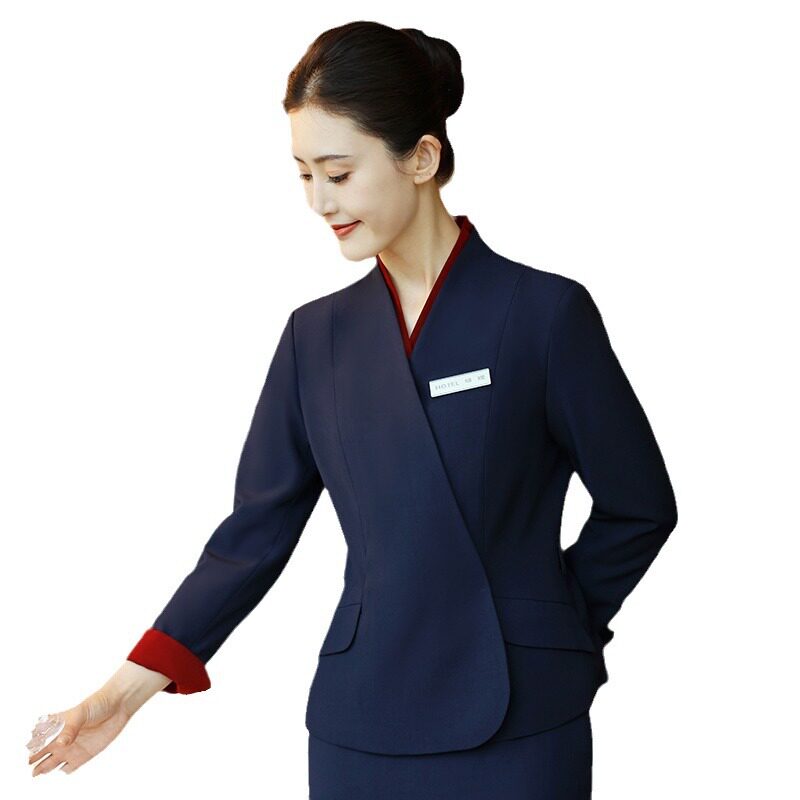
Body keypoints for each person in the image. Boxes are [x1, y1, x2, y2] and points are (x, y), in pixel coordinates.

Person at [27, 21, 677, 799]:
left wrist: (556, 629)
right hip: (361, 721)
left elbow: (640, 506)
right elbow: (252, 536)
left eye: (337, 172)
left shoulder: (544, 315)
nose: (318, 201)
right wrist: (123, 694)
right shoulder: (316, 339)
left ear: (422, 158)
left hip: (522, 715)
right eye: (304, 174)